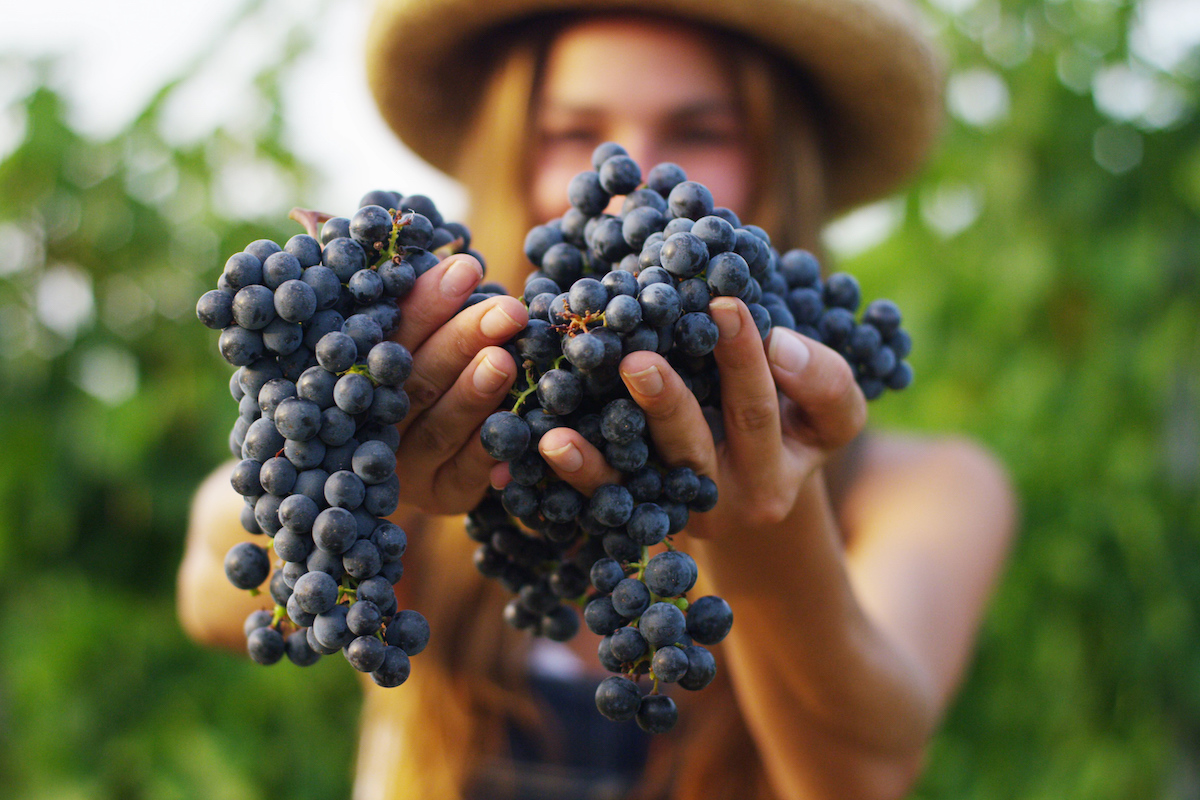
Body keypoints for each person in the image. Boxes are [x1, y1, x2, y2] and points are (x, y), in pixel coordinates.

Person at [178, 0, 1017, 797]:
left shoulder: (927, 488)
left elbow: (860, 781)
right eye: (571, 132)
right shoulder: (465, 400)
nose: (627, 179)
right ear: (506, 151)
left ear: (781, 160)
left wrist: (770, 521)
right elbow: (215, 586)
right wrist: (390, 469)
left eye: (701, 130)